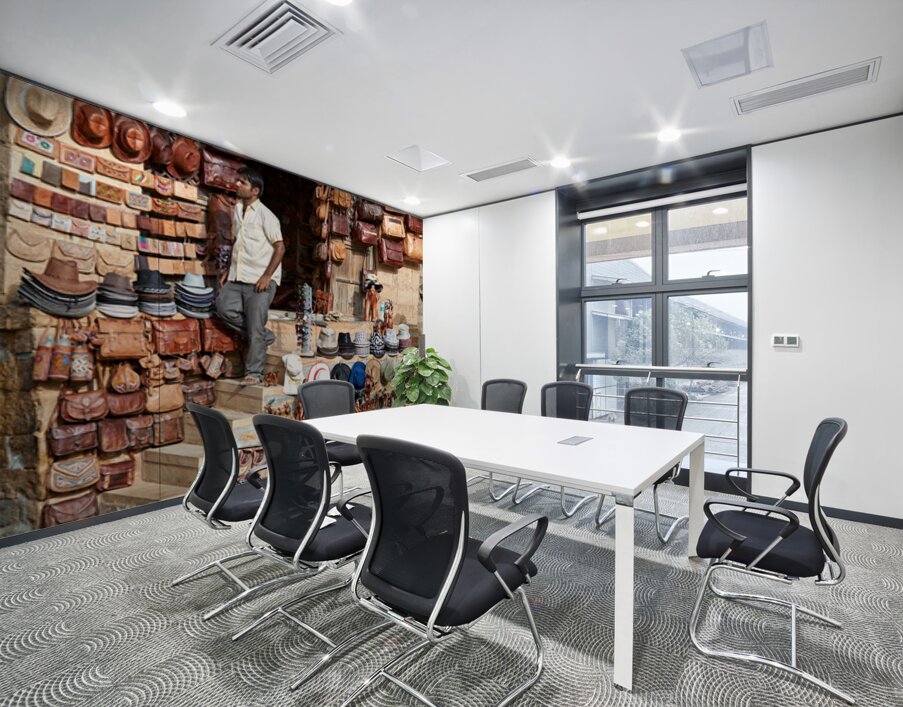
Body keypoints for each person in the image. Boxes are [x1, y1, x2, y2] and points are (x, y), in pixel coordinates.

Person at [215, 166, 285, 386]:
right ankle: (263, 336)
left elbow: (280, 247)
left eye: (243, 182)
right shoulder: (237, 210)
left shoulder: (267, 216)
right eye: (239, 181)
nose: (237, 184)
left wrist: (266, 276)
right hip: (238, 276)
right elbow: (239, 244)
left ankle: (254, 373)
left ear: (255, 191)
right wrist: (229, 269)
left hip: (260, 280)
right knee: (223, 308)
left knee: (255, 323)